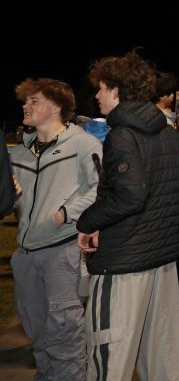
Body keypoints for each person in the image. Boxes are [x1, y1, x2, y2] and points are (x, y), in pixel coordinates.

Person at [78, 51, 179, 380]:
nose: (96, 95)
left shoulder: (122, 134)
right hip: (160, 261)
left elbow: (131, 194)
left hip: (122, 263)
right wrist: (157, 216)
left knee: (110, 355)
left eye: (102, 88)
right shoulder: (164, 131)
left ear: (117, 90)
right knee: (163, 355)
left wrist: (88, 222)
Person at [9, 78, 101, 380]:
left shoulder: (83, 144)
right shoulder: (19, 152)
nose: (26, 106)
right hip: (25, 254)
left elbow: (102, 188)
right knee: (36, 329)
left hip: (61, 253)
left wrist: (67, 212)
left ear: (57, 106)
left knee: (65, 333)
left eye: (34, 100)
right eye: (26, 101)